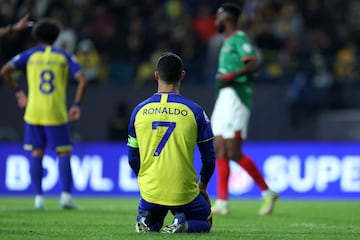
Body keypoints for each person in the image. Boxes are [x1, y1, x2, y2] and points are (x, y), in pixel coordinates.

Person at [0, 18, 87, 210]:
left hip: (33, 112)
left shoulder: (29, 55)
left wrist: (18, 91)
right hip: (55, 112)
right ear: (56, 37)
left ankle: (38, 199)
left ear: (36, 36)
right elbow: (82, 79)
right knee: (63, 152)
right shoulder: (64, 56)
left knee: (36, 152)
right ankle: (65, 197)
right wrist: (76, 104)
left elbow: (5, 71)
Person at [127, 52, 215, 233]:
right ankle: (182, 223)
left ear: (156, 75)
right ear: (182, 75)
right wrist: (203, 187)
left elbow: (132, 159)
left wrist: (146, 179)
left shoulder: (139, 110)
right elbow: (209, 159)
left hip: (150, 191)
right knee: (205, 220)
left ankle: (145, 218)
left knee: (153, 222)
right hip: (184, 191)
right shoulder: (195, 111)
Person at [210, 2, 279, 216]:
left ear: (227, 20)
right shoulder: (227, 41)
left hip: (236, 98)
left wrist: (230, 76)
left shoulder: (240, 38)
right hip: (223, 97)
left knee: (233, 151)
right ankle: (222, 202)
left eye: (218, 18)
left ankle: (267, 192)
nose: (215, 22)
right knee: (219, 148)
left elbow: (253, 63)